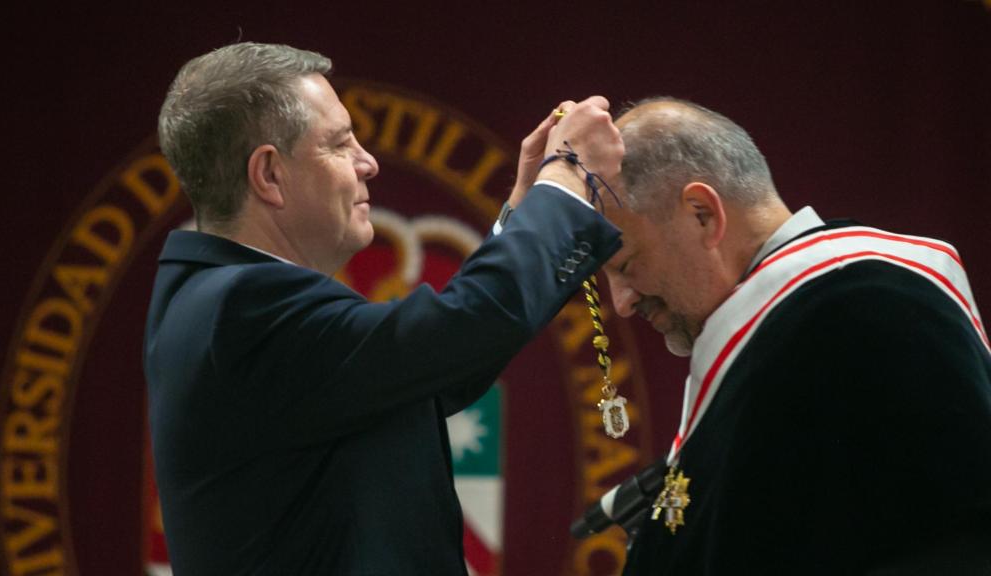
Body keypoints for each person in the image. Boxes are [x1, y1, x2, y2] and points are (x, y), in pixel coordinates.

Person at [144, 42, 623, 575]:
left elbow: (434, 373)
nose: (367, 162)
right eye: (339, 143)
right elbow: (460, 328)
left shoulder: (225, 300)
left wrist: (527, 208)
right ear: (269, 176)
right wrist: (566, 181)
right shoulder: (238, 309)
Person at [603, 97, 991, 574]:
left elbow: (949, 548)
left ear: (702, 213)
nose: (621, 302)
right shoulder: (796, 327)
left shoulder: (872, 305)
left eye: (624, 265)